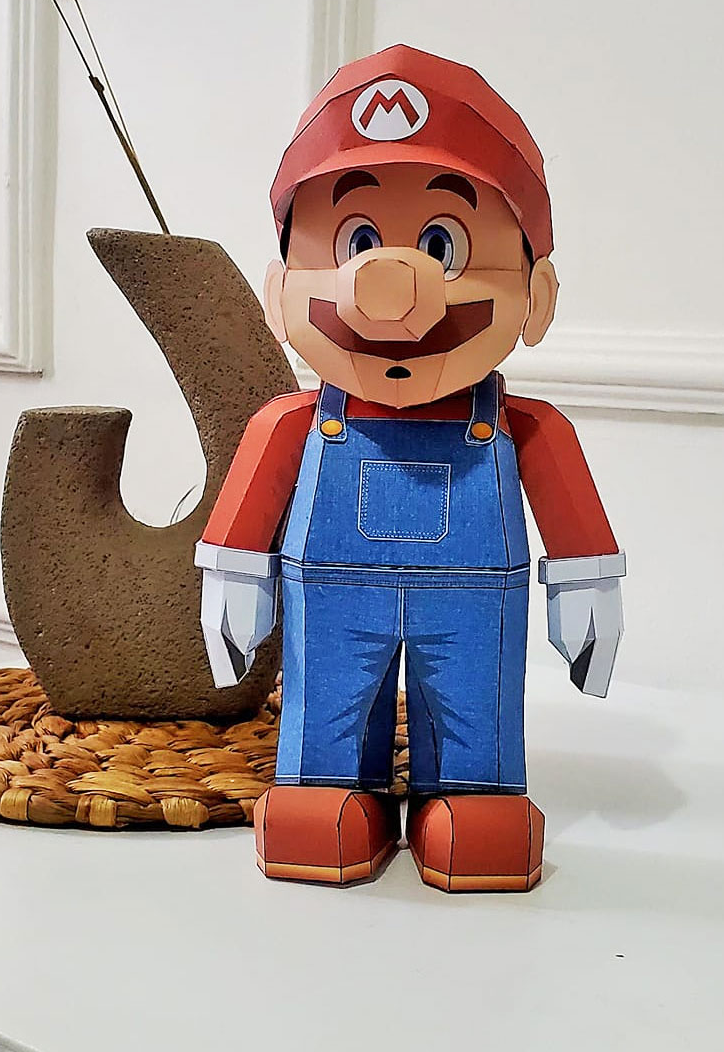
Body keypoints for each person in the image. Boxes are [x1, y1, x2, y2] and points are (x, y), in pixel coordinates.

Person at [196, 45, 625, 891]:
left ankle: (473, 800)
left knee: (473, 713)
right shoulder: (292, 422)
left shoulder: (525, 427)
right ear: (282, 293)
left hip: (475, 602)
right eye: (356, 239)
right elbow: (247, 512)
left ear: (537, 297)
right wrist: (235, 577)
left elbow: (571, 512)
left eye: (442, 243)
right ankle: (325, 793)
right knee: (327, 708)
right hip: (331, 596)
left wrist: (585, 588)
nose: (387, 288)